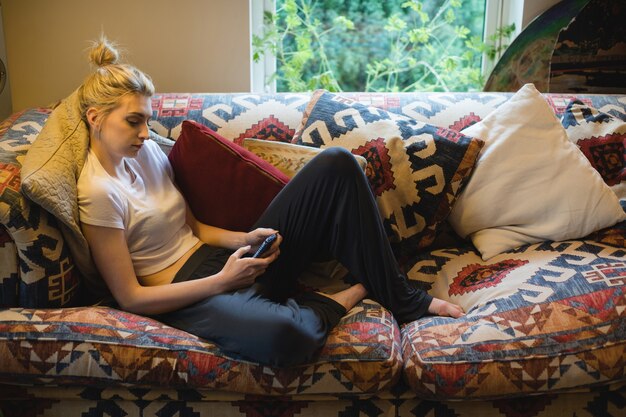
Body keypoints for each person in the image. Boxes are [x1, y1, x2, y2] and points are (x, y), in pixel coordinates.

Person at [76, 37, 464, 367]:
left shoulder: (145, 154)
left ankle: (399, 296)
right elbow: (131, 298)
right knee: (287, 337)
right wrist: (220, 282)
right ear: (95, 117)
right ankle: (345, 294)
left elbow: (192, 228)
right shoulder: (98, 192)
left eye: (147, 119)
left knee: (337, 165)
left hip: (225, 265)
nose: (146, 132)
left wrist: (244, 240)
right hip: (188, 296)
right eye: (133, 121)